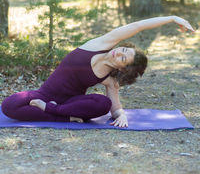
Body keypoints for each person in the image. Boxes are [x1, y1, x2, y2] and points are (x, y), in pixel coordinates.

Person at [1, 16, 194, 128]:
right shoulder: (100, 44)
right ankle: (63, 117)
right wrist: (171, 18)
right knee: (9, 105)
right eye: (124, 50)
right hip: (44, 94)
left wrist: (122, 115)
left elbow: (114, 106)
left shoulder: (110, 78)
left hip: (68, 104)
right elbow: (136, 26)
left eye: (123, 58)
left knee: (103, 103)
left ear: (123, 68)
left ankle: (51, 110)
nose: (119, 52)